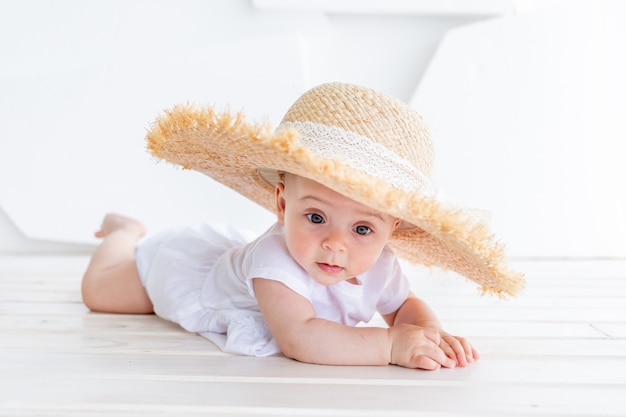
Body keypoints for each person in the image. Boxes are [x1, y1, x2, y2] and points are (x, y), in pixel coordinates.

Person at [81, 82, 524, 370]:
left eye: (363, 229)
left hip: (235, 257)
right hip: (192, 276)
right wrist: (390, 346)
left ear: (394, 229)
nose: (335, 244)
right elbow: (300, 338)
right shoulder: (275, 260)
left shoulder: (380, 264)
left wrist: (428, 333)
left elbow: (404, 304)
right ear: (281, 203)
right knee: (100, 294)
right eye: (315, 218)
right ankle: (125, 234)